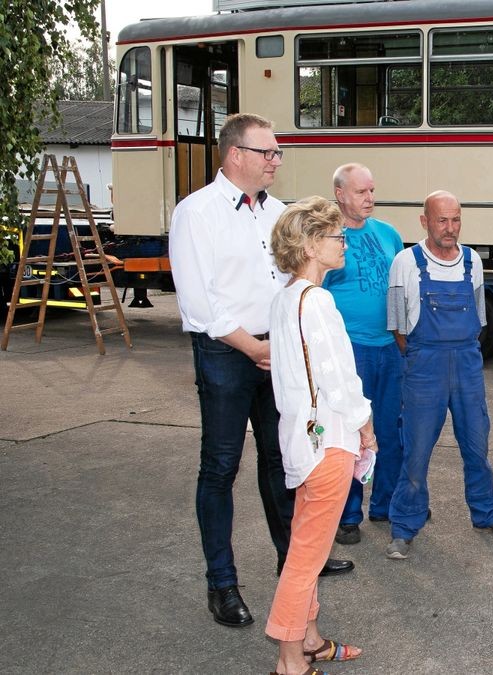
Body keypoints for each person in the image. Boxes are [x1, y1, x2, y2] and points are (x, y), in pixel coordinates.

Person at [168, 113, 351, 629]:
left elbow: (290, 283)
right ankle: (222, 585)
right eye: (267, 152)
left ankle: (295, 564)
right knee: (220, 467)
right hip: (227, 354)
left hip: (277, 353)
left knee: (285, 460)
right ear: (235, 154)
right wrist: (253, 348)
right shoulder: (195, 213)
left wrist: (284, 346)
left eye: (277, 153)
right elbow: (199, 302)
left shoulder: (278, 213)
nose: (275, 160)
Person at [266, 196, 374, 675]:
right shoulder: (319, 301)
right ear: (311, 245)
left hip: (300, 441)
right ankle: (291, 662)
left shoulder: (285, 298)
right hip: (329, 442)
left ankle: (308, 639)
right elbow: (339, 378)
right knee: (305, 559)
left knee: (304, 548)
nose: (343, 243)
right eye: (336, 236)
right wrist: (366, 428)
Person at [385, 191, 493, 560]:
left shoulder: (472, 261)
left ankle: (486, 513)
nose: (450, 228)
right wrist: (420, 357)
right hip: (424, 366)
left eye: (456, 219)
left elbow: (479, 319)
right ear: (425, 221)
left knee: (477, 446)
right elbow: (397, 325)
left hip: (466, 365)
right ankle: (404, 527)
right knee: (416, 452)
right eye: (442, 220)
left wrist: (461, 352)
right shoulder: (405, 263)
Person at [322, 163, 405, 545]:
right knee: (351, 434)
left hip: (389, 348)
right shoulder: (326, 237)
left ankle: (385, 504)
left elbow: (401, 291)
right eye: (361, 192)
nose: (369, 198)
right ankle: (347, 514)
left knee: (391, 430)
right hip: (349, 350)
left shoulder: (388, 234)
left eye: (372, 191)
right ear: (340, 194)